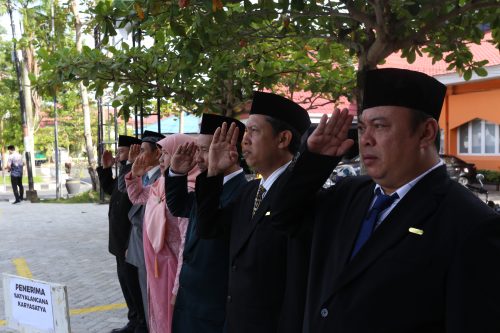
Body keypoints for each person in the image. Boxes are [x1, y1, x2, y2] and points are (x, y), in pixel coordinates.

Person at [271, 68, 500, 333]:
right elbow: (282, 216)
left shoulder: (470, 223)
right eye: (364, 127)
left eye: (380, 126)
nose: (365, 139)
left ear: (426, 133)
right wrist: (314, 161)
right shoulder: (348, 194)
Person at [195, 92, 312, 333]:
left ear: (283, 138)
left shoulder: (302, 196)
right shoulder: (249, 192)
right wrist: (213, 174)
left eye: (254, 131)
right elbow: (209, 229)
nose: (244, 141)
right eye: (245, 133)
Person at [166, 114, 247, 333]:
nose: (199, 157)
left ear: (230, 150)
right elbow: (180, 207)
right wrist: (176, 173)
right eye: (198, 149)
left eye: (205, 149)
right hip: (189, 300)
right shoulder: (207, 185)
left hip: (214, 305)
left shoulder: (243, 193)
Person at [126, 134, 200, 333]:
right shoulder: (161, 184)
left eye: (166, 153)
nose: (161, 159)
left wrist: (178, 287)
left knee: (171, 320)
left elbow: (186, 241)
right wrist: (135, 176)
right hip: (157, 265)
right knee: (157, 316)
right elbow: (138, 197)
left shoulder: (189, 189)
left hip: (173, 268)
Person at [97, 135, 147, 333]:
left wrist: (130, 164)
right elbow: (112, 189)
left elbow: (132, 198)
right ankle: (133, 320)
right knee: (126, 284)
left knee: (134, 285)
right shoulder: (125, 172)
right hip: (118, 241)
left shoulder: (137, 174)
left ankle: (141, 323)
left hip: (129, 242)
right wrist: (106, 168)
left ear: (134, 150)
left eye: (121, 152)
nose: (117, 156)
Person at [120, 130, 164, 330]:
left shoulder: (160, 180)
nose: (139, 157)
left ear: (157, 154)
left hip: (152, 250)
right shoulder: (144, 177)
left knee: (152, 301)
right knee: (141, 298)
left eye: (144, 151)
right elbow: (126, 192)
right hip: (137, 245)